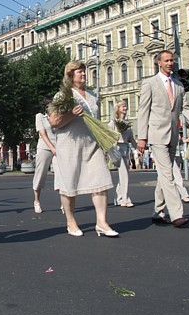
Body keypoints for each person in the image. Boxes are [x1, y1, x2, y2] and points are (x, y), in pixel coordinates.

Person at [137, 50, 189, 228]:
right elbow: (143, 111)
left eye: (172, 61)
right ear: (159, 63)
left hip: (173, 135)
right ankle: (177, 214)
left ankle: (158, 212)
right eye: (167, 61)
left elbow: (186, 109)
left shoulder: (179, 85)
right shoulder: (150, 83)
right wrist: (142, 137)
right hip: (157, 135)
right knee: (168, 174)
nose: (170, 63)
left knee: (163, 176)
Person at [48, 60, 117, 237]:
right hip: (69, 146)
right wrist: (71, 114)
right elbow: (54, 122)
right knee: (69, 184)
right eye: (79, 71)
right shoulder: (63, 96)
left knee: (100, 180)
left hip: (91, 144)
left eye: (84, 71)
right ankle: (71, 222)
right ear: (70, 75)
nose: (83, 74)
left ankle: (101, 222)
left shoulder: (93, 95)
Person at [109, 100, 137, 208]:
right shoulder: (113, 122)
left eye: (126, 106)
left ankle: (118, 198)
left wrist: (138, 148)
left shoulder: (127, 124)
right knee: (124, 174)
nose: (125, 108)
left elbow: (131, 139)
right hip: (117, 149)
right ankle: (125, 199)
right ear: (118, 109)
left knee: (124, 175)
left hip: (126, 149)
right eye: (123, 107)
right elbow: (108, 134)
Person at [32, 96, 57, 214]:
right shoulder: (40, 117)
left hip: (58, 147)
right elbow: (42, 134)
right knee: (40, 173)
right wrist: (52, 148)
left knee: (61, 174)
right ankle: (36, 201)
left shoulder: (58, 116)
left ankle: (64, 202)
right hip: (45, 147)